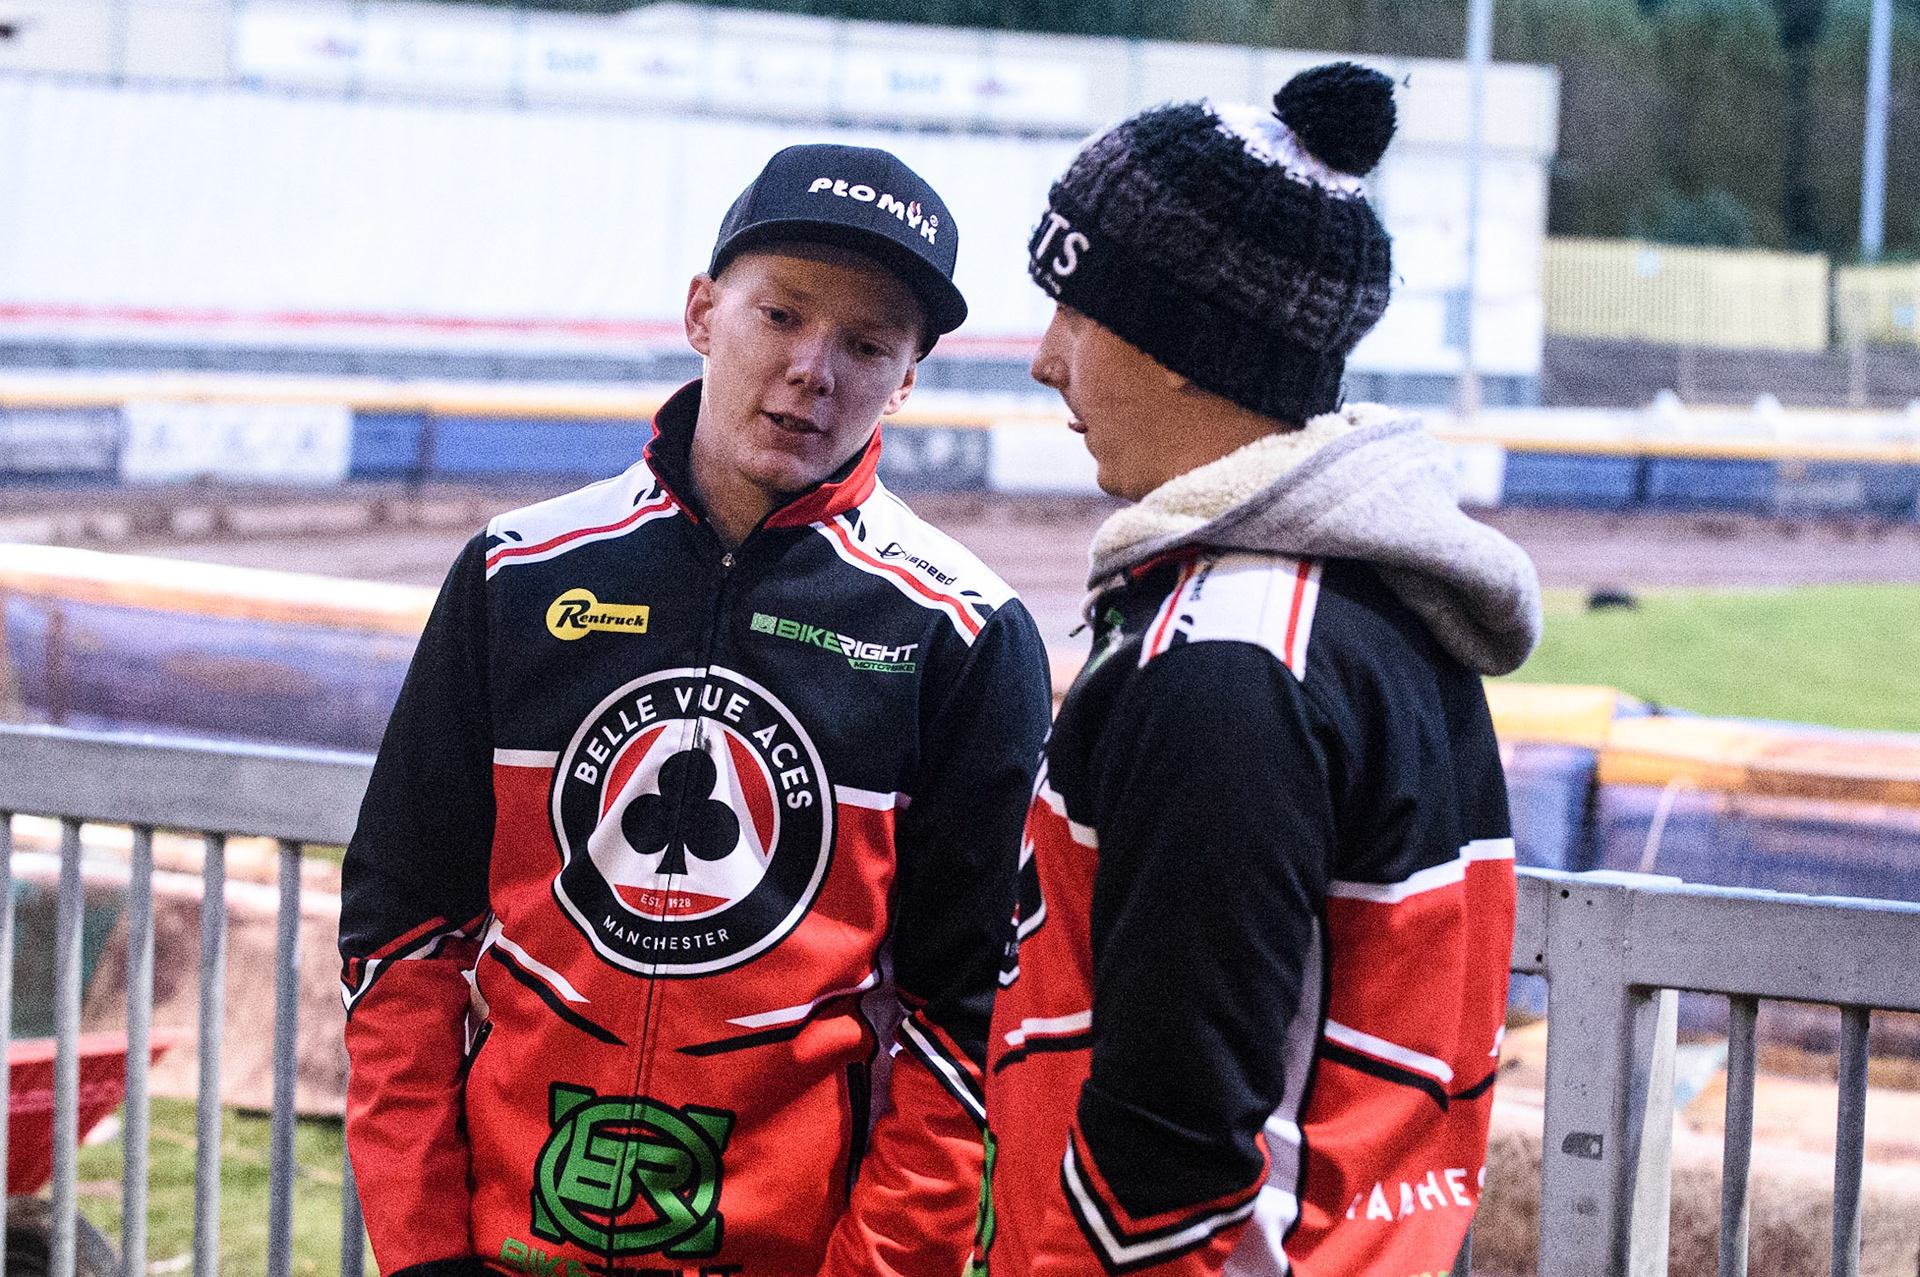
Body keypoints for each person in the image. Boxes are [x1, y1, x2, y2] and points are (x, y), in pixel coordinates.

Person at [339, 143, 1052, 1277]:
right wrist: (425, 1250)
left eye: (868, 344)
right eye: (781, 314)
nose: (814, 368)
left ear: (908, 378)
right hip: (497, 1244)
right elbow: (402, 931)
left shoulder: (963, 630)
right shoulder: (516, 573)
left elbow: (964, 1020)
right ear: (702, 311)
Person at [973, 65, 1543, 1276]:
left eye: (1076, 309)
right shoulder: (1381, 615)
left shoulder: (1230, 666)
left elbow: (1164, 1170)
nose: (1045, 359)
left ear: (1187, 348)